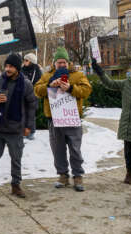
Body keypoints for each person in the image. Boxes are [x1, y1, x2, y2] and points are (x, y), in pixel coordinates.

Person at [34, 47, 92, 192]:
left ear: (68, 62)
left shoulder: (77, 75)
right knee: (58, 149)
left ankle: (78, 176)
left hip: (72, 118)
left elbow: (86, 90)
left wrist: (71, 88)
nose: (61, 65)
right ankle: (63, 176)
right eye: (59, 62)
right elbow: (37, 90)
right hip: (54, 119)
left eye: (64, 62)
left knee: (75, 149)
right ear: (54, 63)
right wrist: (49, 86)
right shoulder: (47, 76)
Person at [0, 53, 37, 198]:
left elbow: (32, 105)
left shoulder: (25, 84)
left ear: (17, 68)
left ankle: (16, 185)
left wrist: (29, 126)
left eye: (11, 66)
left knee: (16, 159)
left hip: (16, 129)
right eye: (6, 66)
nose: (8, 69)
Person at [21, 53, 42, 140]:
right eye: (24, 60)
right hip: (22, 95)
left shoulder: (37, 70)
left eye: (27, 60)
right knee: (22, 113)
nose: (24, 62)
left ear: (31, 61)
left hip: (32, 95)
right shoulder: (21, 69)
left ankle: (31, 132)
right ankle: (22, 131)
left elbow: (39, 82)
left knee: (31, 114)